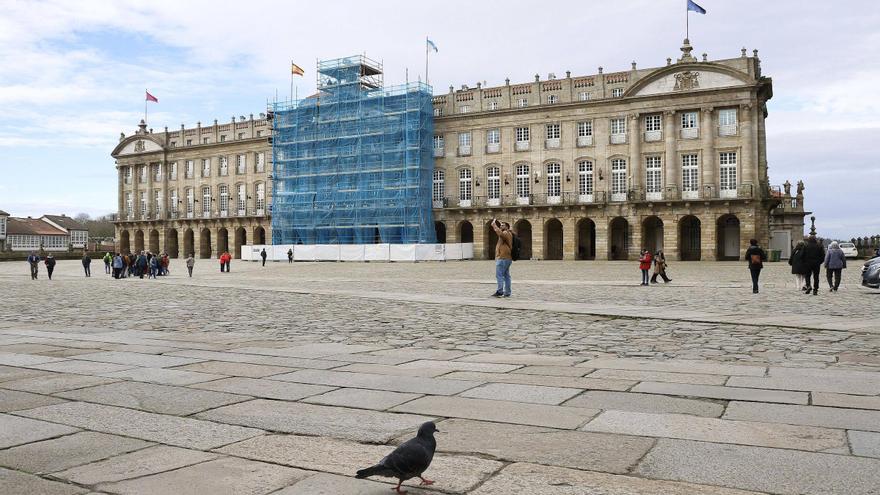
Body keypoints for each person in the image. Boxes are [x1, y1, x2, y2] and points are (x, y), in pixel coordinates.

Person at [490, 218, 513, 297]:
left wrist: (494, 225)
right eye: (500, 225)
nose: (501, 226)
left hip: (503, 257)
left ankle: (500, 291)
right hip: (507, 258)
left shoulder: (506, 233)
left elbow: (500, 234)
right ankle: (507, 292)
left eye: (503, 225)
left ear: (507, 227)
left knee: (499, 275)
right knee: (506, 276)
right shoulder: (508, 233)